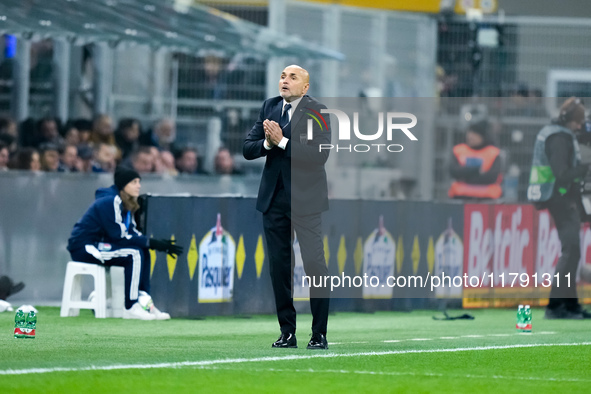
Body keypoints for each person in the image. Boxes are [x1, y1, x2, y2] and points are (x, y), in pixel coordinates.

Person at [243, 65, 331, 349]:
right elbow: (248, 148)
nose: (285, 80)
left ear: (305, 87)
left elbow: (320, 155)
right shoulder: (269, 106)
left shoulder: (318, 111)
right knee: (279, 268)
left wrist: (281, 141)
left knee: (315, 264)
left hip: (306, 200)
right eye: (282, 76)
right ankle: (287, 332)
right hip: (274, 199)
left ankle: (319, 333)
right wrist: (268, 145)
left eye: (293, 77)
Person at [67, 166, 183, 320]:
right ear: (123, 185)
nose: (139, 185)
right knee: (133, 253)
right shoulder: (111, 201)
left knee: (143, 249)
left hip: (101, 244)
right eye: (134, 182)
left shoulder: (125, 203)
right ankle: (130, 306)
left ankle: (145, 302)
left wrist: (153, 243)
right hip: (84, 246)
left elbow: (132, 233)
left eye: (139, 182)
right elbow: (119, 237)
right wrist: (153, 242)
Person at [527, 97, 591, 319]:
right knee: (571, 251)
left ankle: (570, 306)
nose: (580, 127)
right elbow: (562, 174)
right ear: (571, 120)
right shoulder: (559, 138)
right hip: (558, 196)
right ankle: (555, 306)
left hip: (557, 196)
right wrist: (584, 169)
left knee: (572, 252)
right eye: (579, 122)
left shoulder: (557, 133)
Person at [448, 119, 503, 200]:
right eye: (469, 133)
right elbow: (454, 171)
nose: (470, 137)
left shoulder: (493, 153)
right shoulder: (459, 150)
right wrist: (477, 170)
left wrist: (465, 176)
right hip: (460, 197)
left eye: (474, 134)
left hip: (486, 199)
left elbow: (492, 177)